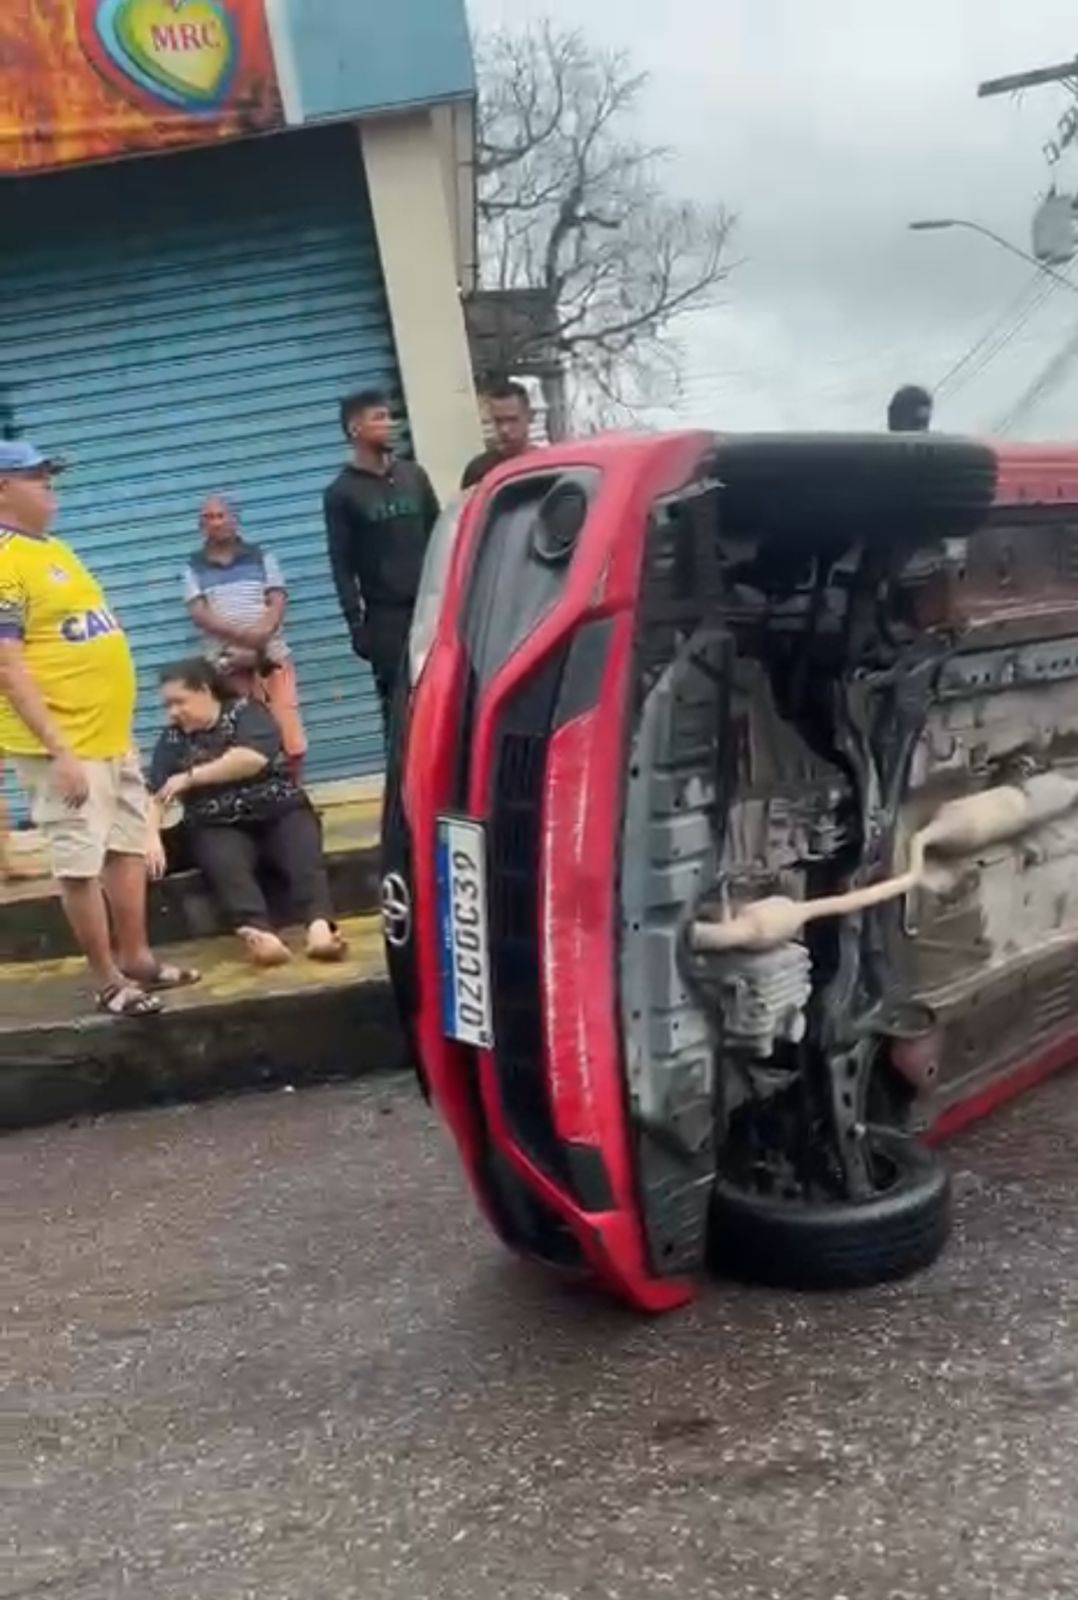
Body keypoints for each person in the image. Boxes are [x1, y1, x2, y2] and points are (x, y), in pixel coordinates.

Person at [0, 440, 198, 1016]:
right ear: (3, 488)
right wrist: (58, 750)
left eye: (49, 474)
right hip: (63, 745)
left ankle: (137, 958)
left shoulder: (52, 549)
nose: (49, 485)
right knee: (80, 863)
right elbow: (8, 664)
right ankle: (109, 979)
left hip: (109, 737)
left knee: (127, 845)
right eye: (36, 476)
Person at [148, 658, 346, 967]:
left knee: (302, 857)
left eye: (179, 702)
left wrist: (189, 778)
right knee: (224, 863)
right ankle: (258, 934)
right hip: (217, 822)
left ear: (205, 691)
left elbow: (251, 759)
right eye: (167, 705)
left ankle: (320, 929)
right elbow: (156, 794)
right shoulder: (172, 739)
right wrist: (150, 837)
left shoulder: (247, 712)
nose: (173, 712)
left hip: (278, 809)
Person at [323, 390, 440, 735]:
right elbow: (341, 565)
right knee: (400, 708)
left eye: (390, 417)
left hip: (432, 609)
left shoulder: (413, 476)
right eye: (379, 418)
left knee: (444, 694)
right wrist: (357, 625)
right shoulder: (342, 493)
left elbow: (441, 536)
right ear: (355, 429)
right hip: (387, 618)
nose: (390, 424)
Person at [184, 495, 307, 779]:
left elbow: (277, 601)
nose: (216, 523)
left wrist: (260, 639)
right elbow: (200, 614)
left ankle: (294, 791)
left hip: (271, 659)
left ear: (234, 520)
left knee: (290, 736)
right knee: (245, 738)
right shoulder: (194, 568)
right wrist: (243, 639)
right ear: (200, 526)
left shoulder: (262, 557)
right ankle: (258, 794)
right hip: (228, 664)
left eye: (221, 515)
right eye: (209, 518)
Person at [462, 379, 534, 489]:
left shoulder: (545, 466)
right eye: (498, 421)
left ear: (530, 416)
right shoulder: (479, 470)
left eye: (512, 420)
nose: (504, 429)